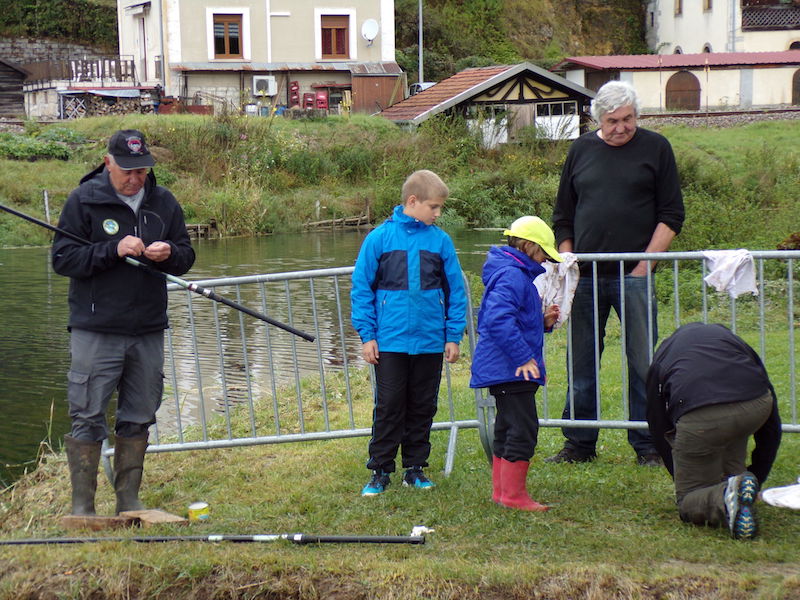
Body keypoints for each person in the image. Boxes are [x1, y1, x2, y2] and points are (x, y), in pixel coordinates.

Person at [52, 129, 195, 518]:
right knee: (87, 414)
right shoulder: (83, 200)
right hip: (96, 328)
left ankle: (128, 501)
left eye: (142, 171)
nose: (135, 179)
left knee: (139, 413)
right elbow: (63, 259)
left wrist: (170, 253)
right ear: (108, 163)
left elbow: (186, 255)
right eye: (128, 171)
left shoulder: (163, 202)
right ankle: (83, 507)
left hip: (148, 327)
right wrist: (112, 249)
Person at [549, 80, 685, 466]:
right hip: (585, 278)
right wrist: (569, 263)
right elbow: (563, 215)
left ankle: (649, 445)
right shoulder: (580, 150)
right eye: (612, 121)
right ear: (597, 120)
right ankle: (579, 444)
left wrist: (644, 266)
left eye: (628, 119)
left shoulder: (657, 148)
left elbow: (672, 214)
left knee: (644, 364)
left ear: (637, 115)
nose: (621, 127)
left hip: (634, 277)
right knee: (581, 363)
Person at [351, 170, 467, 496]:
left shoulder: (441, 241)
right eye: (434, 207)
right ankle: (380, 470)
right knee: (389, 405)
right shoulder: (379, 239)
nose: (438, 213)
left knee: (422, 405)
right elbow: (361, 289)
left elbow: (455, 292)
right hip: (390, 341)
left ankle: (415, 468)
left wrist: (453, 335)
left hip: (430, 340)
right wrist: (367, 336)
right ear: (412, 202)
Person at [646, 322, 782, 539]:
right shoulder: (736, 343)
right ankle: (738, 486)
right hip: (755, 407)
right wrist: (758, 475)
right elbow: (772, 423)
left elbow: (657, 424)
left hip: (702, 418)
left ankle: (726, 496)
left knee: (688, 501)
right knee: (733, 469)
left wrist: (680, 475)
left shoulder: (663, 356)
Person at [470, 216, 561, 511]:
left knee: (507, 427)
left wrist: (542, 322)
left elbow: (512, 319)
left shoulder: (513, 274)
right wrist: (523, 357)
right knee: (522, 429)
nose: (546, 259)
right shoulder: (512, 276)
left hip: (505, 368)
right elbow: (498, 320)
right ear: (529, 246)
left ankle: (502, 493)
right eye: (544, 252)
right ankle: (513, 496)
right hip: (511, 368)